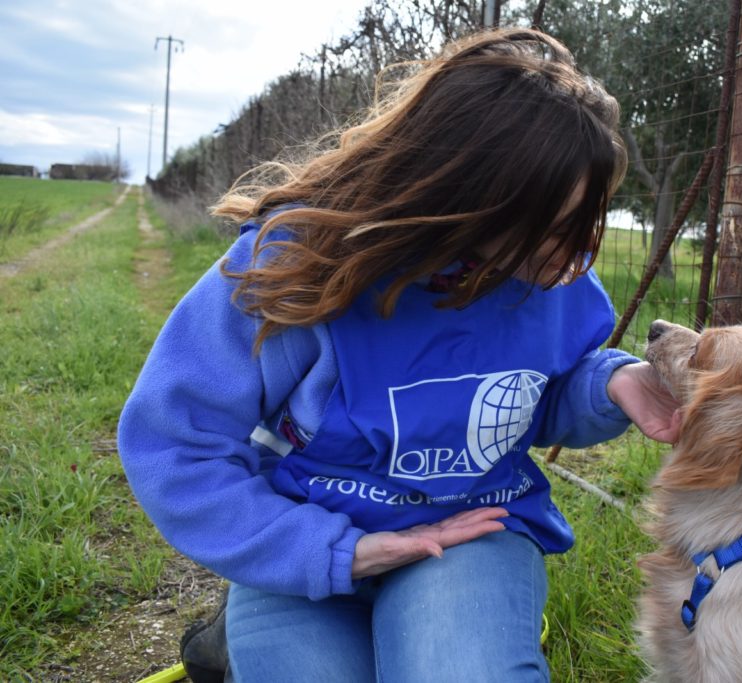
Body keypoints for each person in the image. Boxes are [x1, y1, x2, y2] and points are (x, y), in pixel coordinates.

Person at [118, 28, 679, 682]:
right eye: (553, 229)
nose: (575, 258)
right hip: (310, 536)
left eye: (587, 224)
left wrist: (609, 386)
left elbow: (535, 397)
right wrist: (332, 552)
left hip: (469, 532)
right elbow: (174, 443)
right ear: (461, 201)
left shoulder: (552, 280)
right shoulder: (293, 270)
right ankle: (236, 631)